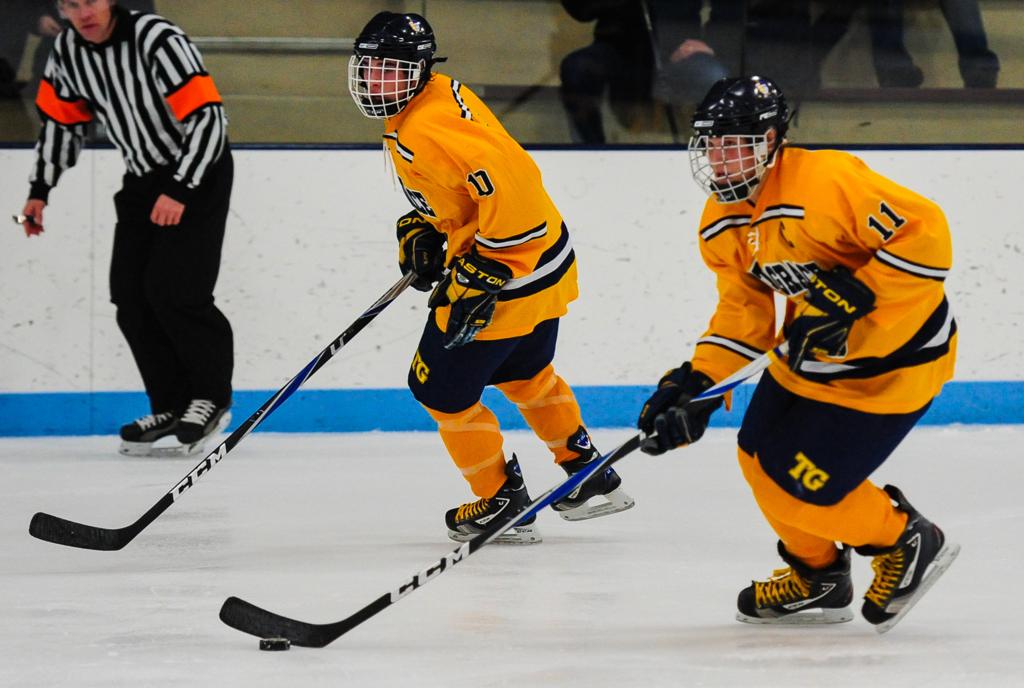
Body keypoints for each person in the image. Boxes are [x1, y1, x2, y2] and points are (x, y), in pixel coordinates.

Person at [637, 75, 960, 631]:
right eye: (711, 144)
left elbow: (926, 234)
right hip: (810, 356)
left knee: (801, 486)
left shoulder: (825, 181)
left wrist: (863, 292)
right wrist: (697, 385)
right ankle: (819, 577)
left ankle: (905, 539)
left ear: (769, 141)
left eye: (733, 145)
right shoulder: (721, 221)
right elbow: (744, 316)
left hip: (892, 362)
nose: (718, 158)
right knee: (755, 457)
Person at [347, 11, 634, 544]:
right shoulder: (433, 98)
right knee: (527, 374)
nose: (377, 81)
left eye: (393, 70)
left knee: (440, 391)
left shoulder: (426, 125)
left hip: (512, 273)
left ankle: (501, 503)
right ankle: (589, 474)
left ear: (420, 70)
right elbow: (468, 185)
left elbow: (514, 182)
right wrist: (428, 223)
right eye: (370, 67)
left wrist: (489, 269)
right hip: (546, 263)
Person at [19, 0, 234, 457]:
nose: (83, 13)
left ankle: (210, 398)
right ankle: (171, 405)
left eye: (90, 1)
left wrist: (180, 188)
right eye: (70, 4)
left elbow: (209, 119)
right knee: (131, 298)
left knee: (177, 292)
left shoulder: (157, 38)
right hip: (142, 177)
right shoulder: (68, 51)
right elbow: (62, 124)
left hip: (198, 168)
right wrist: (40, 189)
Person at [559, 0, 736, 144]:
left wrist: (712, 43)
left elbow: (729, 7)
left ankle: (717, 151)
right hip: (620, 47)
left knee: (714, 76)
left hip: (681, 48)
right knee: (577, 68)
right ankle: (589, 153)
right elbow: (581, 10)